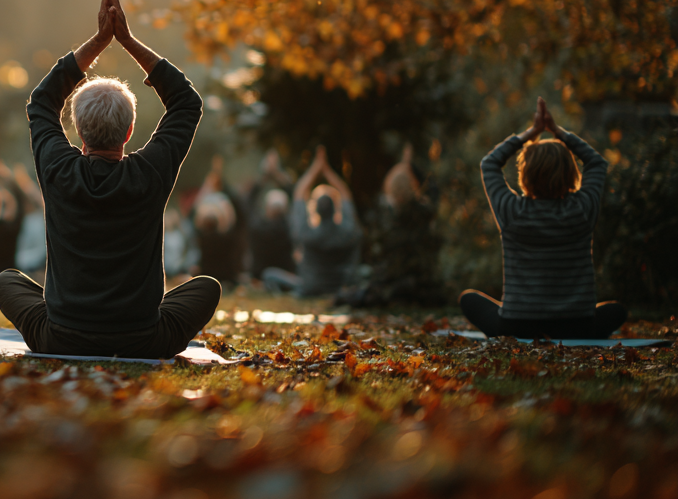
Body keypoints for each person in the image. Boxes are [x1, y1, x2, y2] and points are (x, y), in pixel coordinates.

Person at [0, 0, 220, 359]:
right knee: (207, 286)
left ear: (79, 132)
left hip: (61, 336)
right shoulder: (149, 173)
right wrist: (127, 41)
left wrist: (98, 42)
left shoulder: (58, 170)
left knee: (6, 281)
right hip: (142, 339)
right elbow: (186, 102)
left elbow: (42, 102)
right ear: (129, 132)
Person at [460, 98, 625, 338]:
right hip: (578, 326)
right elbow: (596, 162)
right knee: (616, 311)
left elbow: (489, 163)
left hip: (517, 326)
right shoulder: (582, 210)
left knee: (469, 299)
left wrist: (530, 133)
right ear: (570, 172)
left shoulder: (512, 211)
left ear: (526, 174)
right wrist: (559, 133)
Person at [352, 145, 443, 306]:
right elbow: (433, 192)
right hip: (420, 283)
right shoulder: (424, 212)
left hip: (389, 283)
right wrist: (408, 165)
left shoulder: (383, 216)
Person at [266, 146, 361, 297]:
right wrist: (327, 170)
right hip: (342, 287)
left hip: (310, 288)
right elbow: (346, 195)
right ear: (336, 208)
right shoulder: (348, 231)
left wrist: (316, 167)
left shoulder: (306, 232)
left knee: (269, 274)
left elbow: (299, 193)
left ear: (315, 209)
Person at [187, 157, 244, 289]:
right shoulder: (228, 239)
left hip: (206, 277)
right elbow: (237, 215)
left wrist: (206, 188)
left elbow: (192, 215)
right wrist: (221, 181)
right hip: (227, 278)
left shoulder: (201, 239)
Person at [245, 149, 296, 282]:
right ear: (286, 209)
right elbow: (294, 195)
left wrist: (265, 175)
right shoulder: (290, 228)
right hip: (285, 277)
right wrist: (277, 173)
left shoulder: (257, 228)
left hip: (258, 278)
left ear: (267, 208)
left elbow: (248, 203)